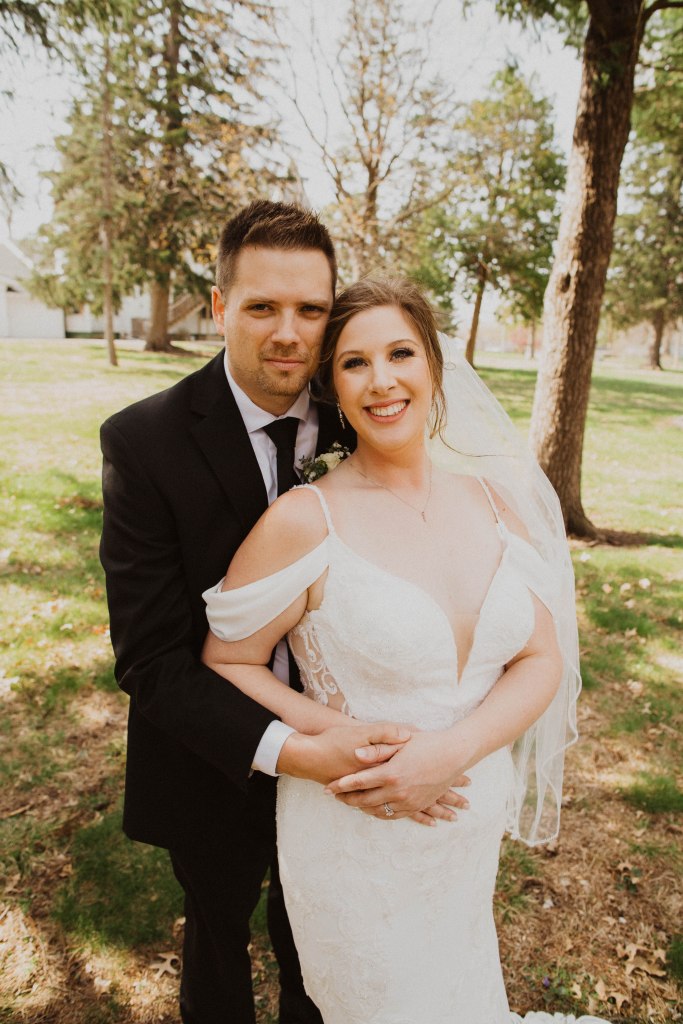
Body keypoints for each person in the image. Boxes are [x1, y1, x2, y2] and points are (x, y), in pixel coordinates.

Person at [201, 277, 607, 1023]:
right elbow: (227, 660)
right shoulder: (306, 520)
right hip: (359, 835)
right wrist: (338, 738)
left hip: (464, 825)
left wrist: (451, 753)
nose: (381, 380)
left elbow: (540, 658)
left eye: (400, 354)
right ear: (332, 386)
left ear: (434, 365)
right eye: (354, 363)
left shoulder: (497, 503)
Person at [99, 202, 460, 1024]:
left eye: (311, 309)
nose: (289, 334)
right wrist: (296, 753)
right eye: (262, 307)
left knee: (322, 960)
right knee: (218, 943)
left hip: (354, 761)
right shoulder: (143, 442)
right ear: (220, 307)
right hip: (214, 756)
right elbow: (151, 660)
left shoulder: (360, 409)